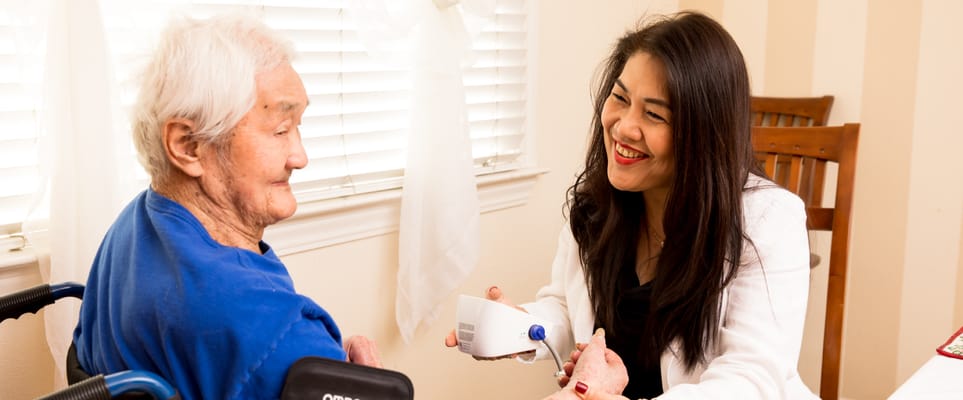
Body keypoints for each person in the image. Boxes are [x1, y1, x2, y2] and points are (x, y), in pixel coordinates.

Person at [448, 11, 817, 399]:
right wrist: (520, 327)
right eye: (620, 98)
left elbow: (749, 379)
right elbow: (565, 306)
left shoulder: (769, 222)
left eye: (654, 114)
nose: (623, 126)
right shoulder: (597, 207)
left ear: (703, 133)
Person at [73, 14, 381, 399]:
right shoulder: (277, 336)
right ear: (188, 146)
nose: (300, 156)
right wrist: (360, 389)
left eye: (298, 127)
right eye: (281, 130)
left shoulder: (136, 222)